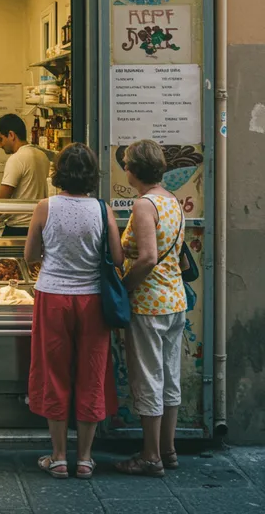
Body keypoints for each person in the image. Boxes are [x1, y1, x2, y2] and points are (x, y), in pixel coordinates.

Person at [25, 143, 123, 479]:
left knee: (54, 372)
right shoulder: (102, 209)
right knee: (91, 373)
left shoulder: (44, 207)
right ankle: (84, 458)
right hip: (93, 300)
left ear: (59, 173)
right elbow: (118, 257)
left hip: (52, 297)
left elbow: (30, 256)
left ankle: (57, 457)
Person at [116, 140, 189, 478]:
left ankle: (149, 456)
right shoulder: (171, 200)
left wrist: (124, 287)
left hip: (148, 303)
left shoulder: (144, 206)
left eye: (126, 163)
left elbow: (146, 257)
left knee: (148, 379)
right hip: (175, 300)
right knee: (169, 378)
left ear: (133, 170)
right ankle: (168, 449)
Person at [0, 113, 50, 238]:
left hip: (19, 228)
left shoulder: (16, 159)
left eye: (0, 139)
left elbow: (2, 200)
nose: (0, 145)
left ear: (11, 135)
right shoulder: (42, 156)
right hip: (40, 226)